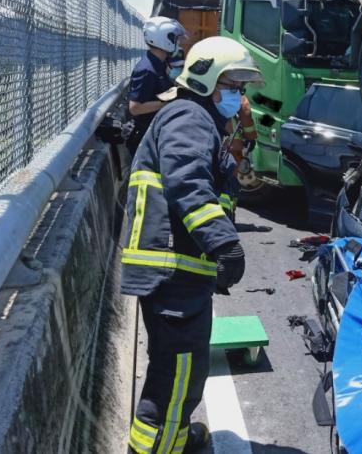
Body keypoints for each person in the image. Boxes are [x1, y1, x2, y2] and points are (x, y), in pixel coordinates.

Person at [122, 36, 261, 454]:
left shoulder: (194, 117)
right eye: (232, 85)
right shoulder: (189, 117)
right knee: (176, 373)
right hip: (172, 270)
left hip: (175, 267)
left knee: (181, 368)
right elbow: (188, 184)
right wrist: (225, 245)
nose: (238, 96)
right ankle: (156, 448)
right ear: (206, 81)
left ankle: (173, 441)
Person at [127, 17, 187, 154]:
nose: (177, 43)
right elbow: (135, 108)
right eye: (175, 38)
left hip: (156, 132)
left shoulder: (160, 63)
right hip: (145, 138)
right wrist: (168, 104)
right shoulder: (147, 69)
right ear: (164, 39)